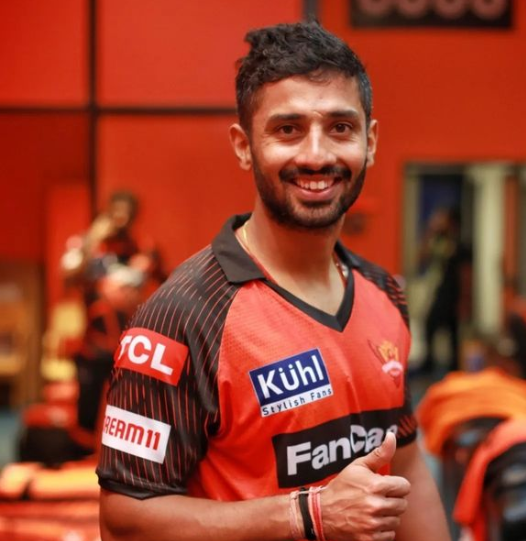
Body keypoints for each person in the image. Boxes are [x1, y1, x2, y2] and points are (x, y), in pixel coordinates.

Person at [97, 22, 450, 541]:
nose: (316, 155)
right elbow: (124, 521)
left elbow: (407, 465)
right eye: (288, 129)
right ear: (243, 146)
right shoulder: (183, 316)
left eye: (340, 127)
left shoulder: (384, 293)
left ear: (370, 141)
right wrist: (307, 515)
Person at [61, 190, 165, 453]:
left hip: (132, 346)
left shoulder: (145, 249)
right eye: (115, 213)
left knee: (134, 412)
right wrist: (93, 237)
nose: (120, 219)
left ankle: (130, 465)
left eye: (126, 214)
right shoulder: (88, 246)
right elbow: (68, 276)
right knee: (86, 414)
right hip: (95, 345)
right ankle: (79, 460)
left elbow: (168, 285)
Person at [418, 207, 472, 374]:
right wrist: (430, 231)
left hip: (453, 293)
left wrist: (464, 300)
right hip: (438, 291)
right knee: (430, 325)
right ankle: (430, 362)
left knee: (452, 331)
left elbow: (466, 274)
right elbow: (422, 258)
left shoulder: (461, 245)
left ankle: (453, 366)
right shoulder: (438, 242)